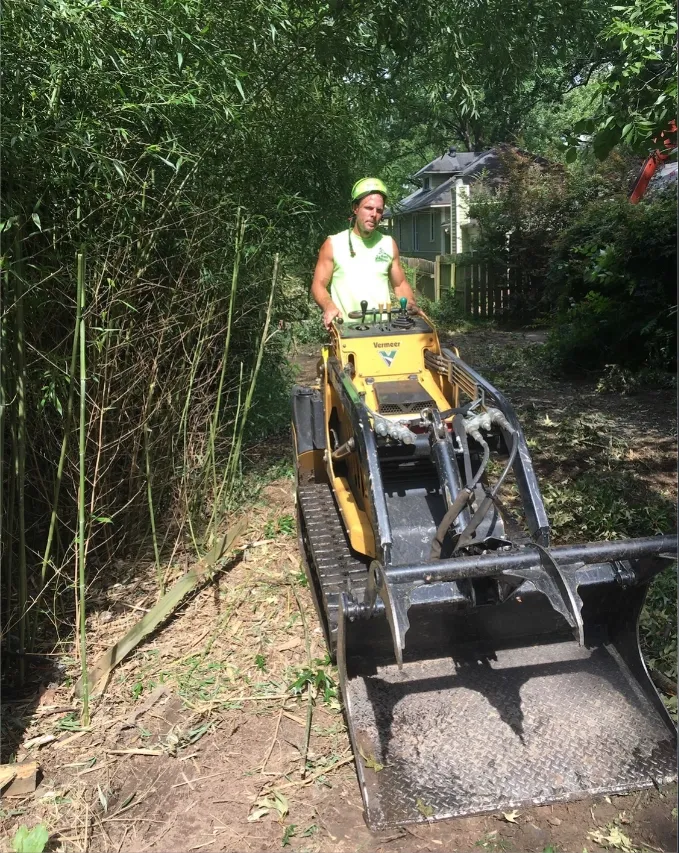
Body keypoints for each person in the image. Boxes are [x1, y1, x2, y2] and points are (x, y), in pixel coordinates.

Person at [310, 177, 419, 329]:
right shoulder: (333, 244)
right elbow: (318, 285)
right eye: (368, 208)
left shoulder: (388, 244)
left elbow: (400, 284)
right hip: (347, 332)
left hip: (383, 330)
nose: (374, 214)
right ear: (355, 208)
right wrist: (328, 306)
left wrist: (410, 302)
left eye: (379, 210)